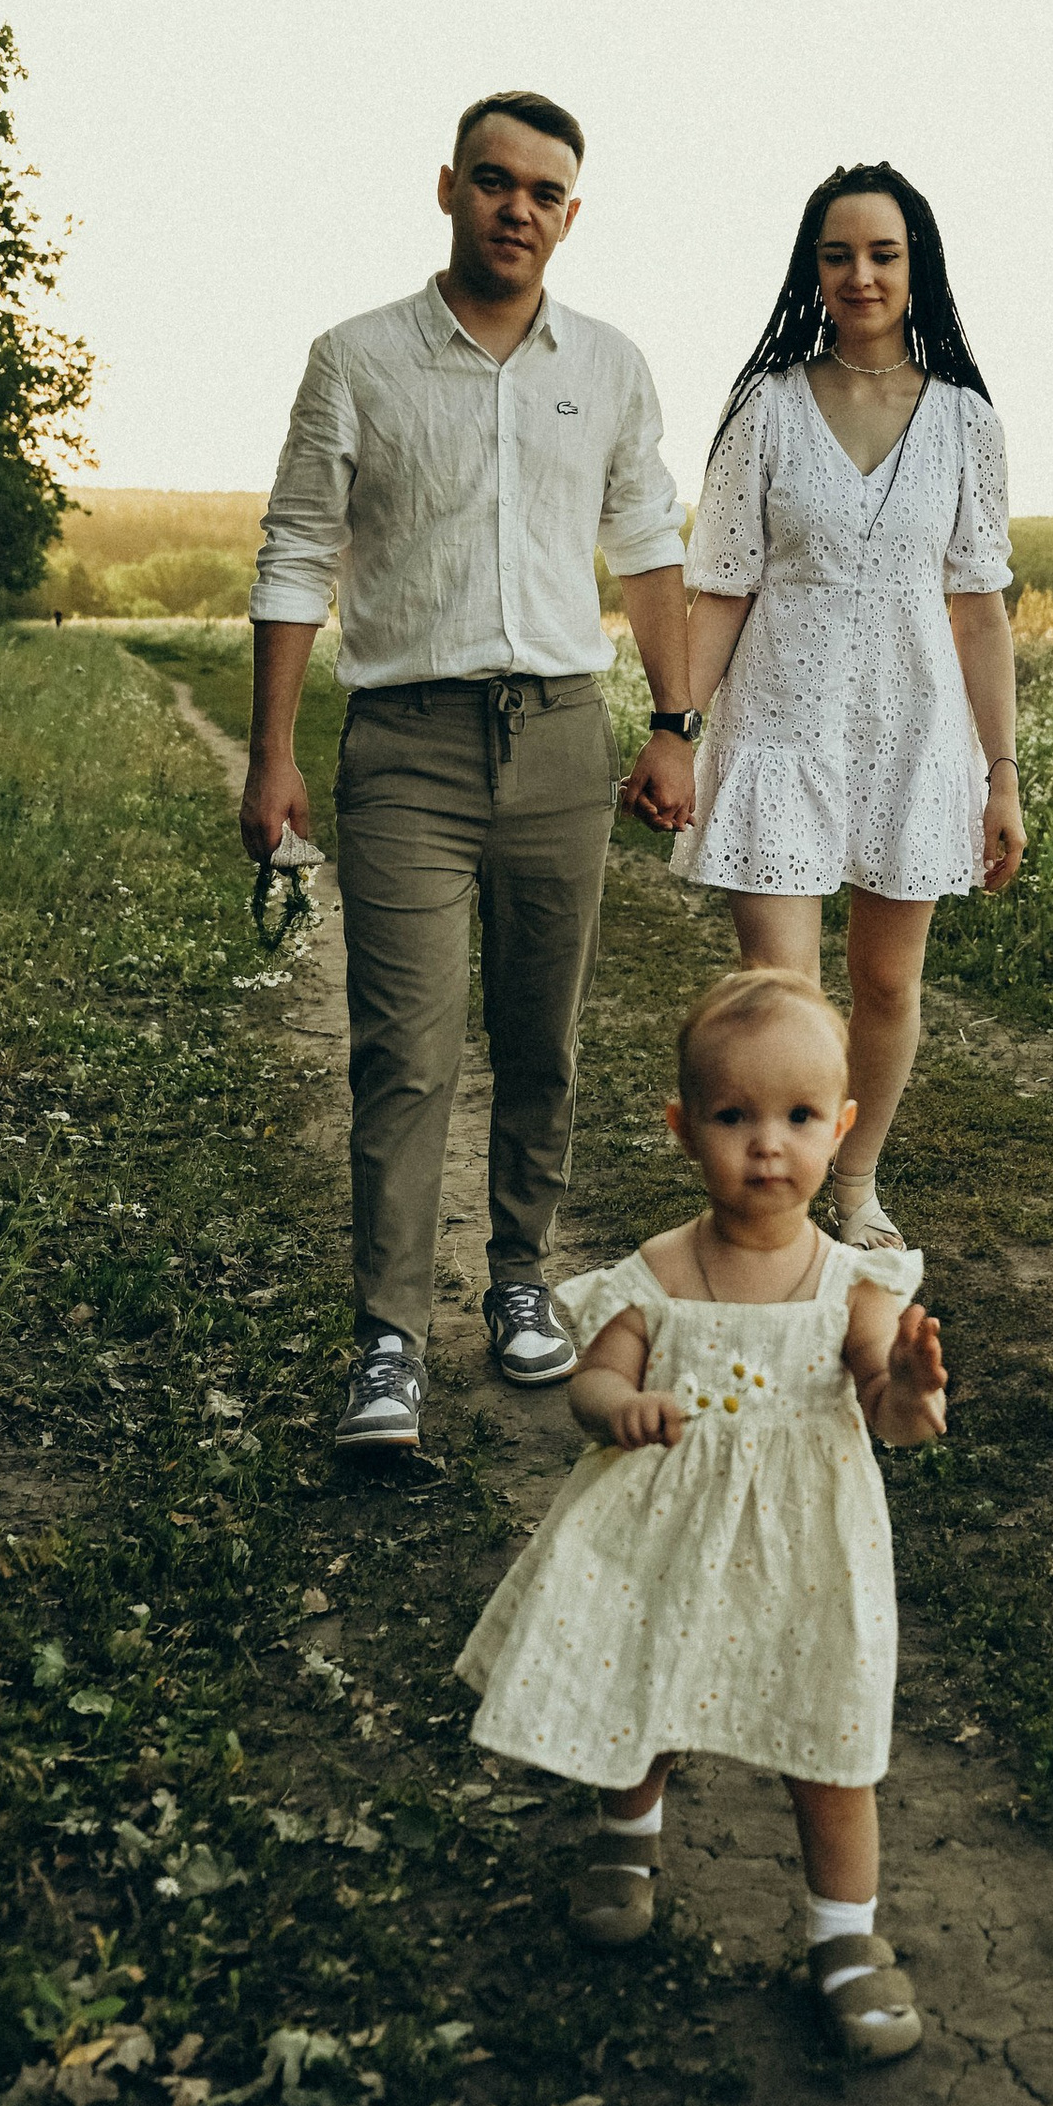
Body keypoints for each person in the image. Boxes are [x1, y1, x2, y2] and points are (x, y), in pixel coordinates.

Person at [243, 91, 703, 1455]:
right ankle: (388, 1340)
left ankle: (518, 1278)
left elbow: (648, 549)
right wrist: (273, 753)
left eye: (544, 191)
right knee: (406, 1044)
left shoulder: (610, 367)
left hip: (562, 737)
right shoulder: (358, 358)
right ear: (448, 187)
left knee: (540, 1035)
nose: (517, 207)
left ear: (572, 213)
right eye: (494, 181)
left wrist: (675, 722)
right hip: (408, 747)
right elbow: (295, 552)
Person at [453, 967, 949, 2060]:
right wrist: (619, 1406)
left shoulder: (851, 1288)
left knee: (828, 1742)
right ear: (684, 1129)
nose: (767, 1145)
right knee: (648, 1693)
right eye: (734, 1117)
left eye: (799, 1118)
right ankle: (626, 1841)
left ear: (842, 1128)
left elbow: (886, 1408)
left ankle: (846, 1939)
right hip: (669, 1535)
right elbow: (591, 1378)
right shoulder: (658, 1274)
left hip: (807, 1551)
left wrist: (909, 1391)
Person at [670, 165, 1022, 1251]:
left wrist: (1002, 774)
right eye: (837, 255)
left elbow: (978, 607)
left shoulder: (967, 422)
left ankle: (853, 1184)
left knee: (884, 982)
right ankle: (769, 1217)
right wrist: (676, 732)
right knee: (781, 998)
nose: (859, 275)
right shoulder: (765, 410)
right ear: (811, 270)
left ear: (917, 267)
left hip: (917, 741)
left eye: (881, 254)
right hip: (780, 733)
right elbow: (720, 586)